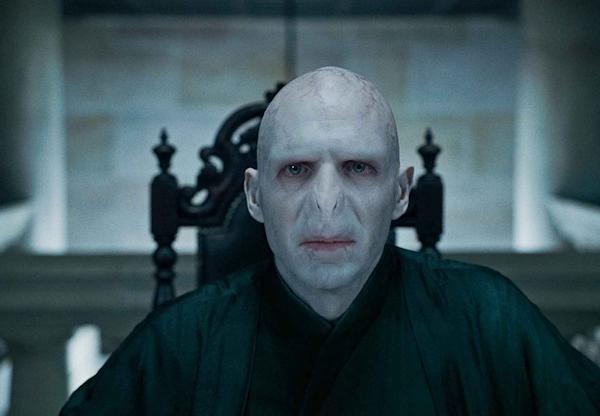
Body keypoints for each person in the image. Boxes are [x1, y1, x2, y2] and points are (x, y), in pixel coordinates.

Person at [60, 67, 600, 415]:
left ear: (400, 193)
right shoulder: (180, 344)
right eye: (296, 170)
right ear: (255, 196)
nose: (325, 203)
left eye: (358, 168)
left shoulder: (489, 320)